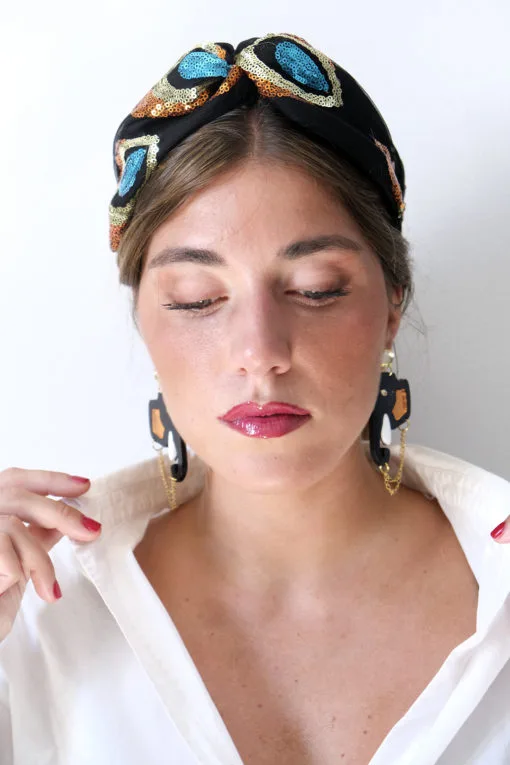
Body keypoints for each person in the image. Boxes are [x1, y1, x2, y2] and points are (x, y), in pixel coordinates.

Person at [1, 31, 510, 765]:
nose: (260, 352)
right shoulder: (36, 619)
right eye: (197, 299)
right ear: (143, 319)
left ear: (393, 304)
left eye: (316, 289)